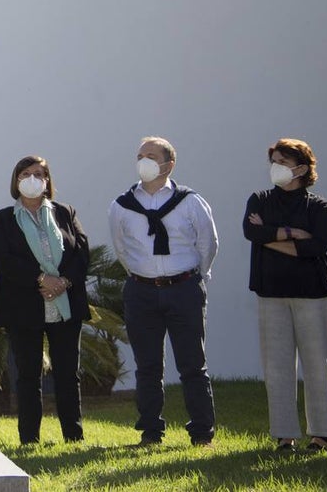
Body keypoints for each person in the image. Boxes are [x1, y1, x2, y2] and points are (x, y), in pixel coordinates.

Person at [108, 136, 218, 447]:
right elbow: (122, 248)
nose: (144, 160)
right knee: (148, 366)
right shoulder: (122, 205)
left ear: (168, 164)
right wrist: (141, 276)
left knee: (193, 364)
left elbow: (208, 244)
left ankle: (201, 432)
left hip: (184, 288)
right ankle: (151, 432)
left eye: (152, 155)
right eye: (140, 155)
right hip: (141, 291)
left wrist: (198, 277)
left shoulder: (190, 202)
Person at [0, 155, 90, 444]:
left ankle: (74, 435)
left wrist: (63, 282)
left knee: (68, 374)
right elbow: (4, 259)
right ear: (16, 180)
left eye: (38, 174)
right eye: (25, 174)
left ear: (47, 181)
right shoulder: (3, 219)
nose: (32, 179)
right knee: (28, 375)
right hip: (24, 307)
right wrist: (41, 279)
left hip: (65, 304)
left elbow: (81, 253)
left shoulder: (65, 212)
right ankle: (29, 438)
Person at [243, 138, 327, 452]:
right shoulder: (260, 199)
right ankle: (285, 435)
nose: (276, 167)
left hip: (313, 294)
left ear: (301, 168)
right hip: (271, 292)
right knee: (277, 367)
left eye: (282, 161)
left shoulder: (318, 206)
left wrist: (269, 234)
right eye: (274, 160)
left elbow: (317, 246)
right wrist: (293, 234)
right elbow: (251, 232)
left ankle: (322, 434)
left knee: (317, 365)